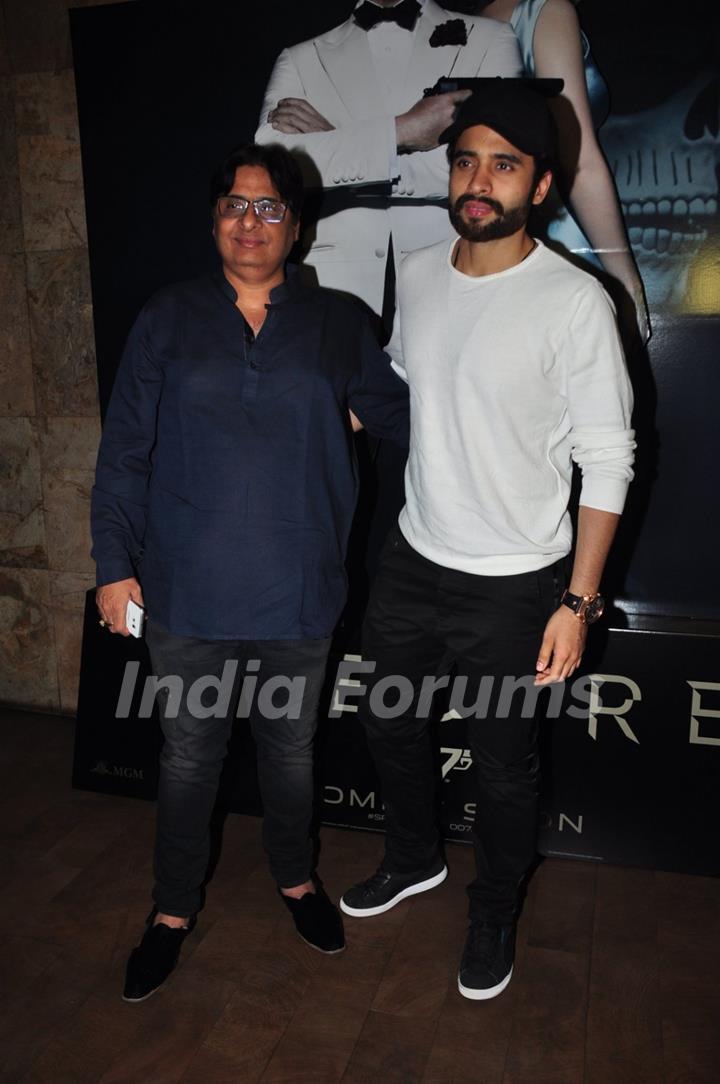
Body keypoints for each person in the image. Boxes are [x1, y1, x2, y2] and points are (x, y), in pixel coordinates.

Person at [90, 143, 409, 1002]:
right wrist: (113, 565)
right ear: (213, 219)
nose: (250, 221)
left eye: (269, 208)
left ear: (296, 227)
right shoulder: (168, 315)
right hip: (185, 593)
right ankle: (170, 910)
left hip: (300, 589)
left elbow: (410, 418)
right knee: (189, 758)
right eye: (235, 204)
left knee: (291, 755)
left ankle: (297, 880)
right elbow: (125, 449)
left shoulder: (340, 322)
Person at [339, 82, 635, 1000]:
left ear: (540, 184)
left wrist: (577, 601)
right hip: (413, 555)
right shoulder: (421, 270)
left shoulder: (574, 302)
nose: (479, 180)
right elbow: (392, 389)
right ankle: (415, 856)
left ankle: (494, 906)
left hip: (516, 582)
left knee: (505, 769)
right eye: (466, 159)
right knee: (388, 720)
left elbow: (610, 457)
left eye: (503, 165)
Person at [255, 0, 522, 319]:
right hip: (332, 289)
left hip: (456, 277)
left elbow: (497, 165)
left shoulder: (490, 39)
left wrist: (335, 139)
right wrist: (401, 132)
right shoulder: (300, 59)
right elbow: (274, 171)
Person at [482, 0, 650, 341]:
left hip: (497, 249)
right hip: (568, 243)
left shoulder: (455, 25)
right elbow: (579, 161)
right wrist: (627, 284)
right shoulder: (546, 12)